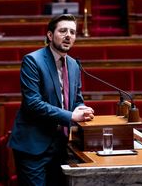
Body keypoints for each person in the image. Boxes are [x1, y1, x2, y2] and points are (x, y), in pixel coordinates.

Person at [8, 14, 95, 186]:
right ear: (49, 35)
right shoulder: (33, 61)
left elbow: (76, 99)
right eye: (63, 31)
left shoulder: (74, 65)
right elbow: (33, 104)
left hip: (61, 145)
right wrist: (71, 116)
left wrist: (82, 109)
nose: (68, 35)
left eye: (72, 32)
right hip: (33, 145)